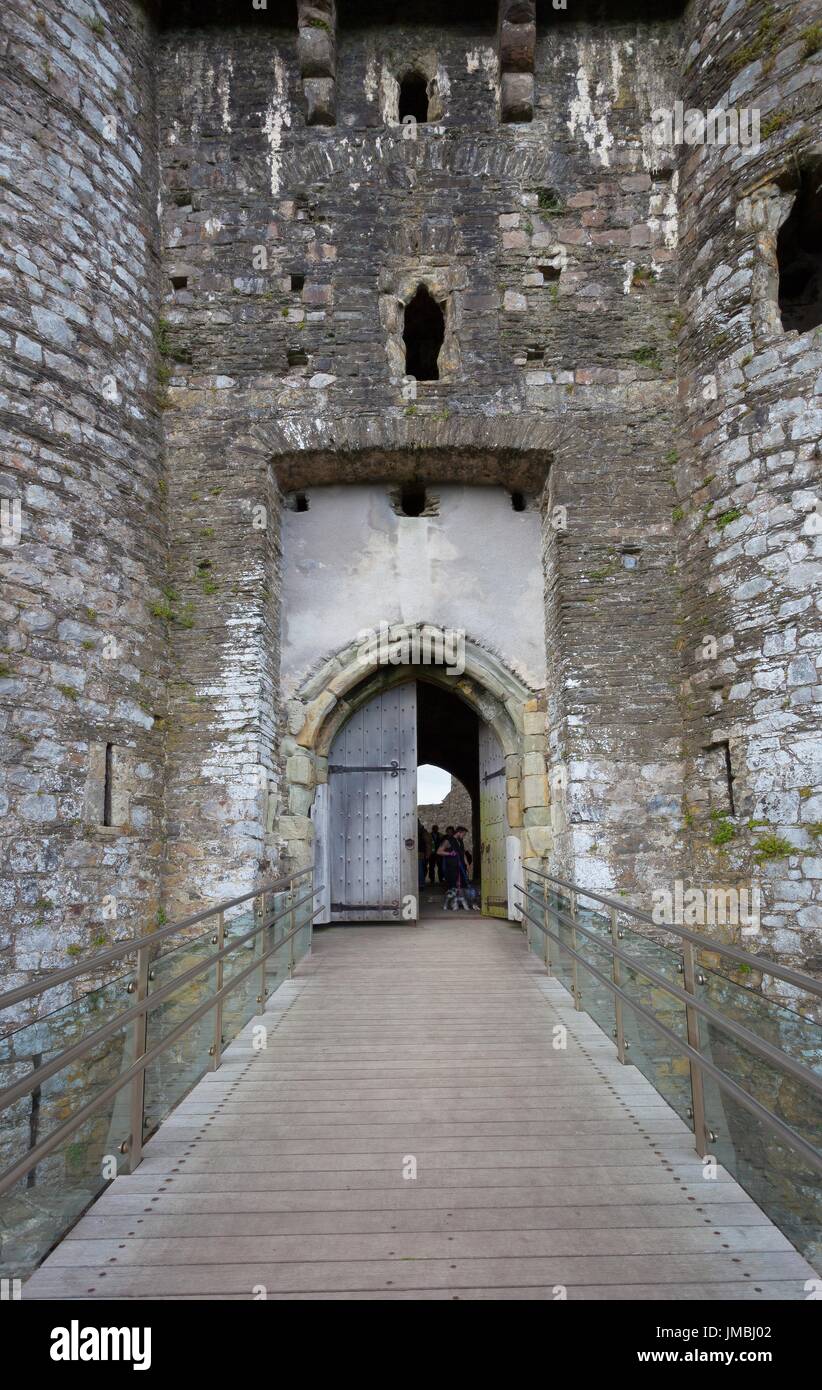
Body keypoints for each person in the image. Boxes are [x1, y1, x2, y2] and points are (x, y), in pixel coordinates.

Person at [437, 825, 479, 911]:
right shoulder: (448, 841)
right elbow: (439, 851)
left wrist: (467, 863)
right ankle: (452, 904)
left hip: (461, 867)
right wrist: (449, 854)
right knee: (452, 886)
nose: (464, 836)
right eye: (463, 834)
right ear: (459, 832)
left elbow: (462, 853)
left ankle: (461, 903)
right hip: (452, 867)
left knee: (463, 885)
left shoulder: (460, 841)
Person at [417, 819, 431, 889]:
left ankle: (421, 884)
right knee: (420, 869)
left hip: (420, 853)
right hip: (418, 853)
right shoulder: (420, 831)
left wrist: (428, 854)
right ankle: (420, 884)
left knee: (420, 869)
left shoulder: (422, 832)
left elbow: (428, 843)